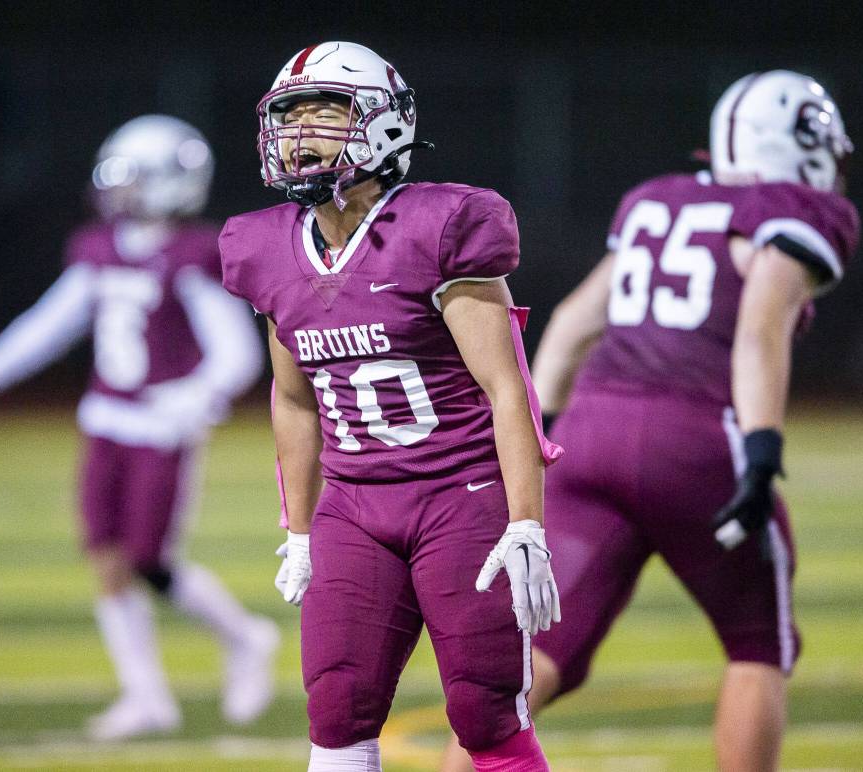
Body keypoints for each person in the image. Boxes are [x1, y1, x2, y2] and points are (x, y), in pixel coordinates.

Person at [441, 70, 861, 772]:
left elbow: (574, 324)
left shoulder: (657, 200)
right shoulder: (797, 210)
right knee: (759, 643)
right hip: (696, 440)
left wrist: (533, 430)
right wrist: (760, 449)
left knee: (539, 653)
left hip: (590, 435)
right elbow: (759, 328)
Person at [218, 42, 562, 772]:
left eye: (323, 111)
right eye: (288, 113)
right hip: (353, 504)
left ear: (383, 125)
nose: (299, 130)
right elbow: (293, 399)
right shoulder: (268, 249)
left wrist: (526, 519)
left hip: (458, 495)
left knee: (482, 708)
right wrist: (302, 529)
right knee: (336, 710)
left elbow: (509, 388)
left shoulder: (441, 226)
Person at [0, 115, 278, 741]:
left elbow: (237, 351)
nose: (117, 191)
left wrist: (196, 395)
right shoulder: (99, 247)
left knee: (148, 560)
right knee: (106, 559)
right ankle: (146, 697)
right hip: (106, 420)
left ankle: (246, 638)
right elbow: (50, 323)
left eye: (133, 178)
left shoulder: (189, 253)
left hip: (159, 428)